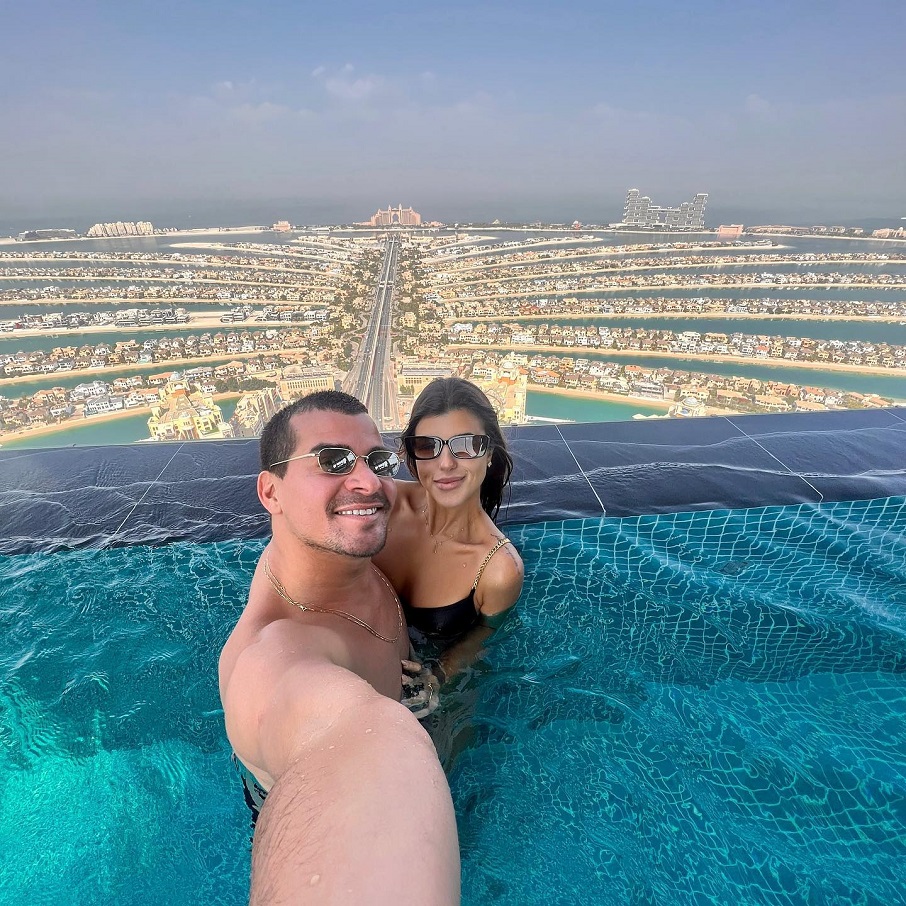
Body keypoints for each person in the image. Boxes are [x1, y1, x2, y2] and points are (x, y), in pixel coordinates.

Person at [218, 390, 460, 905]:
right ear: (271, 492)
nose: (368, 481)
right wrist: (399, 730)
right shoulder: (275, 655)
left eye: (377, 460)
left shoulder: (330, 544)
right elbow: (362, 742)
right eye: (332, 461)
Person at [373, 378, 524, 684]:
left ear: (490, 452)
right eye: (428, 446)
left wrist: (439, 674)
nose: (446, 464)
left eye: (466, 445)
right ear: (412, 454)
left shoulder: (498, 569)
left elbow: (485, 633)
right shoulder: (382, 505)